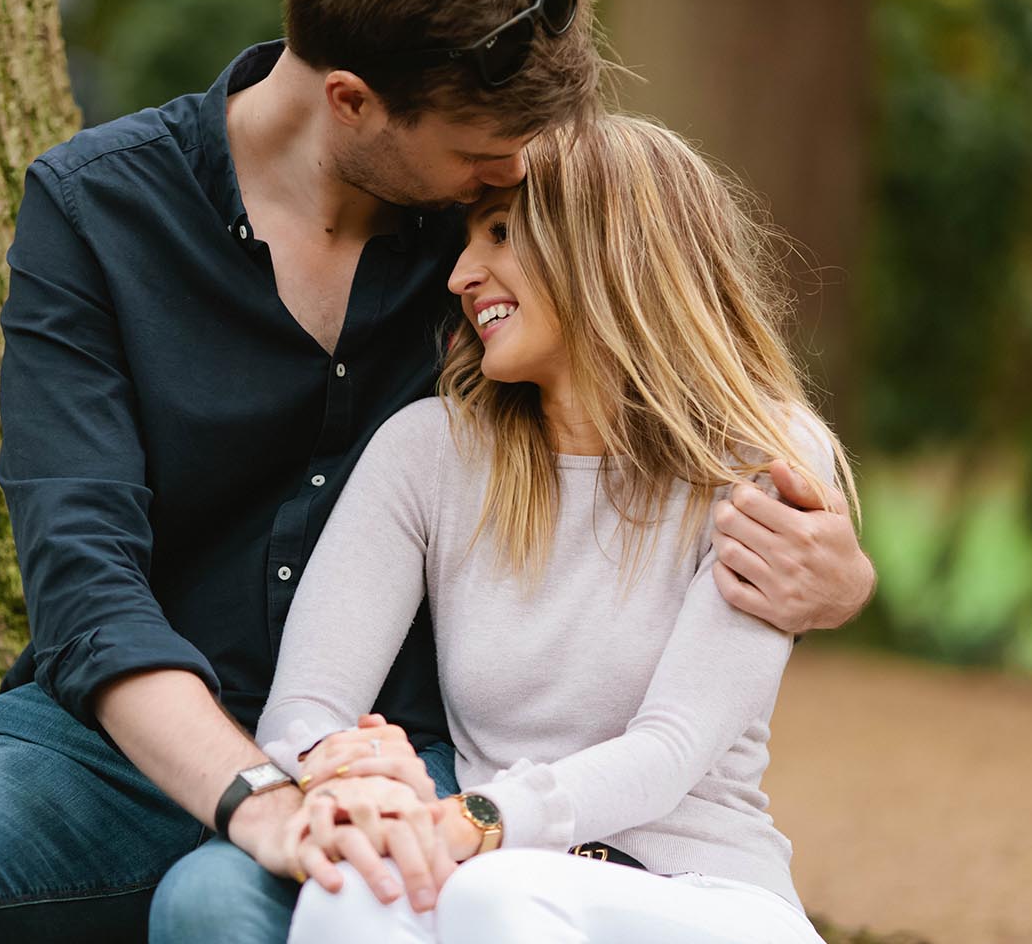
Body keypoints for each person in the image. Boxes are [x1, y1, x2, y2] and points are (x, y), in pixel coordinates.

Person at [0, 0, 871, 942]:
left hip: (405, 750)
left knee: (222, 907)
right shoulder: (96, 212)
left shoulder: (484, 238)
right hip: (128, 739)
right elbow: (84, 585)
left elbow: (657, 386)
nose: (513, 174)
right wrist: (257, 794)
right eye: (486, 154)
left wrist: (833, 567)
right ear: (351, 100)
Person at [256, 114, 852, 942]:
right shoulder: (429, 452)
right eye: (467, 240)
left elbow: (672, 747)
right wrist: (350, 773)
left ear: (611, 246)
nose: (463, 272)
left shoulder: (763, 457)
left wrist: (481, 817)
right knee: (349, 889)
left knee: (493, 897)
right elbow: (307, 705)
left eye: (500, 232)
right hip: (493, 877)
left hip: (700, 892)